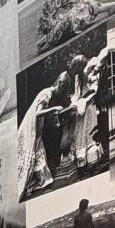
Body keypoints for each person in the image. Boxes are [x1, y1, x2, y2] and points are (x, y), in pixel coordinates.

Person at [17, 72, 73, 200]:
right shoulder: (47, 93)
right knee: (33, 152)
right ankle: (33, 183)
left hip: (37, 128)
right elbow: (38, 113)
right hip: (33, 128)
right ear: (59, 85)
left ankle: (40, 181)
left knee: (38, 153)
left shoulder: (48, 93)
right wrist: (54, 109)